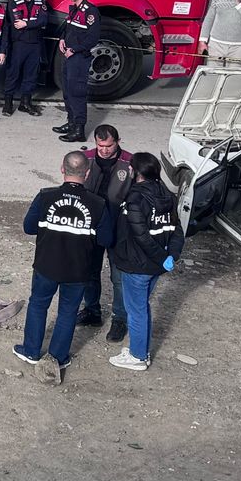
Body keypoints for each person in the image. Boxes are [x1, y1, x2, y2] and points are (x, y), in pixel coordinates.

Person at [13, 150, 114, 384]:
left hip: (46, 265)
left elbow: (28, 227)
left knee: (38, 305)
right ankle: (58, 356)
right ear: (87, 174)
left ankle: (30, 351)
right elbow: (106, 239)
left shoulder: (45, 196)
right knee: (67, 312)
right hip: (78, 270)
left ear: (62, 169)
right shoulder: (97, 204)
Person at [108, 151, 181, 372]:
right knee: (142, 308)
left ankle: (138, 356)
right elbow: (177, 231)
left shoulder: (136, 198)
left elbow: (141, 236)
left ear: (136, 172)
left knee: (136, 310)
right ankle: (141, 350)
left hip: (137, 265)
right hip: (155, 267)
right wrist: (170, 257)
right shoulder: (169, 196)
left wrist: (163, 258)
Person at [79, 124, 133, 335]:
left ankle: (120, 318)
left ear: (118, 142)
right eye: (100, 145)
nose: (104, 150)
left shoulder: (130, 162)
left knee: (118, 277)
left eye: (109, 146)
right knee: (89, 271)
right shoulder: (86, 159)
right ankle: (92, 311)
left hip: (118, 227)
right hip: (90, 226)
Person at [54, 0, 98, 144]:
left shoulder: (90, 12)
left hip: (79, 58)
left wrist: (75, 49)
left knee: (76, 93)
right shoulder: (74, 9)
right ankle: (71, 122)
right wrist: (62, 39)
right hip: (69, 56)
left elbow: (93, 38)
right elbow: (69, 29)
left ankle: (79, 130)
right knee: (67, 91)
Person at [0, 0, 48, 116]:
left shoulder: (41, 3)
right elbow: (13, 24)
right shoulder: (14, 3)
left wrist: (26, 24)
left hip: (35, 45)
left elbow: (43, 20)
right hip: (18, 45)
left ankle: (25, 103)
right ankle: (8, 104)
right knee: (13, 74)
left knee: (31, 75)